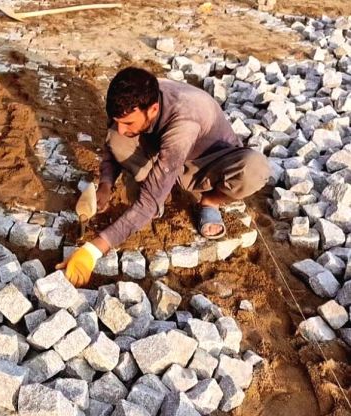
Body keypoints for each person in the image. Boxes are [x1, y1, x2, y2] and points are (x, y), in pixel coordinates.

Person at [57, 67, 270, 286]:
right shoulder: (137, 97)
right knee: (116, 139)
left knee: (254, 170)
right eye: (118, 121)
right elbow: (112, 145)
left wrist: (93, 250)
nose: (122, 128)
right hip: (164, 153)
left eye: (128, 123)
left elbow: (147, 202)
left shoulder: (184, 120)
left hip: (205, 163)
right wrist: (105, 184)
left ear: (153, 109)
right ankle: (156, 184)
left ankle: (209, 202)